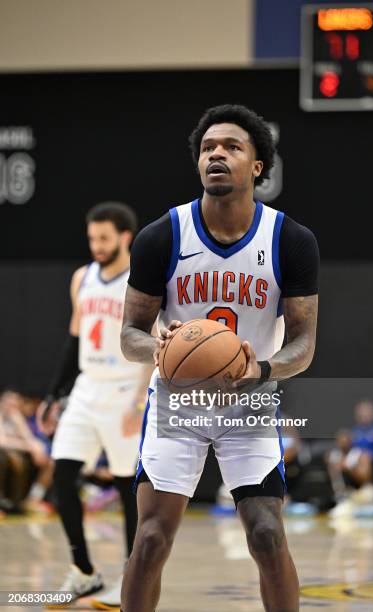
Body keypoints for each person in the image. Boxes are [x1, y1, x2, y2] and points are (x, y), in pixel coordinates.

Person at [120, 105, 319, 612]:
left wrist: (263, 370)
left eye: (231, 147)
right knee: (149, 541)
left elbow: (303, 344)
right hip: (177, 405)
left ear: (257, 165)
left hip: (247, 406)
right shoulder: (161, 236)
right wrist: (161, 351)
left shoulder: (290, 241)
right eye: (208, 148)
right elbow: (130, 334)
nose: (217, 154)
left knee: (268, 536)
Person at [38, 202, 153, 608]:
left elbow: (152, 344)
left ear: (124, 237)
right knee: (61, 475)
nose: (96, 245)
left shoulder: (140, 281)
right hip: (87, 388)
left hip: (126, 389)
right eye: (92, 238)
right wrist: (54, 395)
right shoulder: (81, 278)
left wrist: (140, 399)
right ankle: (84, 572)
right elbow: (74, 340)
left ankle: (131, 578)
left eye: (104, 238)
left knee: (127, 489)